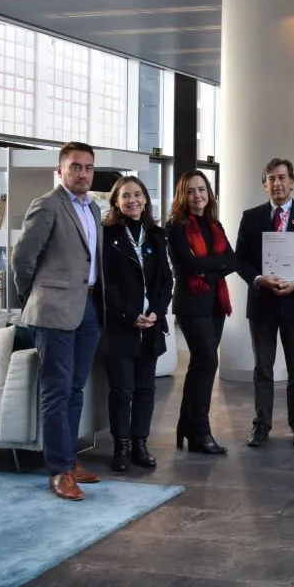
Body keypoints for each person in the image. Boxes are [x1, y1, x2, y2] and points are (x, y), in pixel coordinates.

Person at [11, 141, 103, 500]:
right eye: (75, 166)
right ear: (60, 169)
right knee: (56, 390)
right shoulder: (47, 205)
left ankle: (70, 459)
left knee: (76, 388)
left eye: (88, 167)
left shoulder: (93, 208)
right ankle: (58, 470)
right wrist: (34, 296)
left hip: (89, 307)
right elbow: (23, 259)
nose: (83, 173)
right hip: (52, 310)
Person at [235, 158, 294, 447]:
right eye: (271, 179)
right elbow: (240, 259)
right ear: (265, 185)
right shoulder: (251, 217)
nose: (277, 183)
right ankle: (261, 425)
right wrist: (258, 279)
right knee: (263, 369)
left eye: (282, 177)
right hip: (262, 304)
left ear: (292, 182)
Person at [101, 175, 173, 472]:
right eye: (126, 196)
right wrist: (130, 314)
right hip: (120, 326)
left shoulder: (156, 235)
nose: (132, 200)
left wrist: (156, 311)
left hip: (151, 325)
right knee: (122, 390)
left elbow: (166, 280)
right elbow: (105, 283)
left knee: (146, 389)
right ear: (116, 202)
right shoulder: (107, 236)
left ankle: (140, 444)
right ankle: (122, 446)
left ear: (145, 200)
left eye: (137, 195)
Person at [166, 169, 235, 455]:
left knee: (200, 365)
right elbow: (189, 265)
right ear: (183, 195)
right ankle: (200, 432)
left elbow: (231, 260)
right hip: (192, 305)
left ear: (209, 193)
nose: (197, 195)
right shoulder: (175, 227)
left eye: (202, 189)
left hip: (215, 304)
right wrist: (214, 266)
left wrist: (208, 269)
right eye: (191, 191)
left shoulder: (214, 224)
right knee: (207, 361)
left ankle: (187, 424)